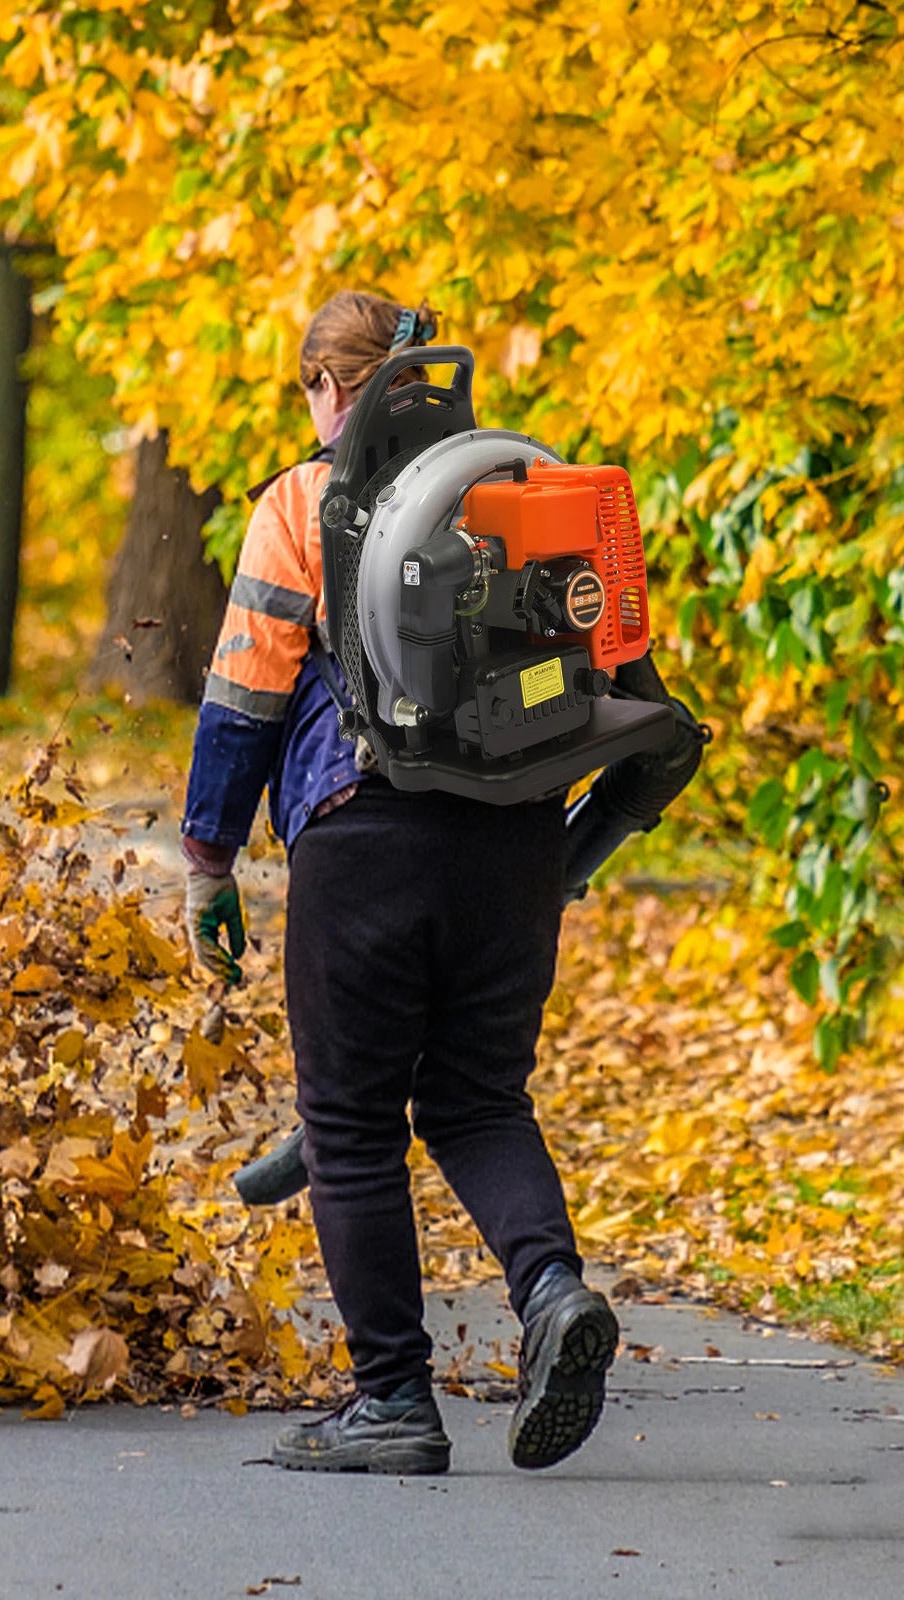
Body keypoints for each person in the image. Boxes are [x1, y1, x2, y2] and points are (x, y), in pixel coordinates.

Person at [182, 290, 618, 1476]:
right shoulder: (522, 488)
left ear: (331, 388)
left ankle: (389, 1399)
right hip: (518, 835)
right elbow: (609, 668)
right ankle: (552, 1295)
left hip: (362, 836)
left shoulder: (302, 506)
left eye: (311, 385)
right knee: (478, 1097)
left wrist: (207, 858)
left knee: (351, 1122)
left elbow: (244, 696)